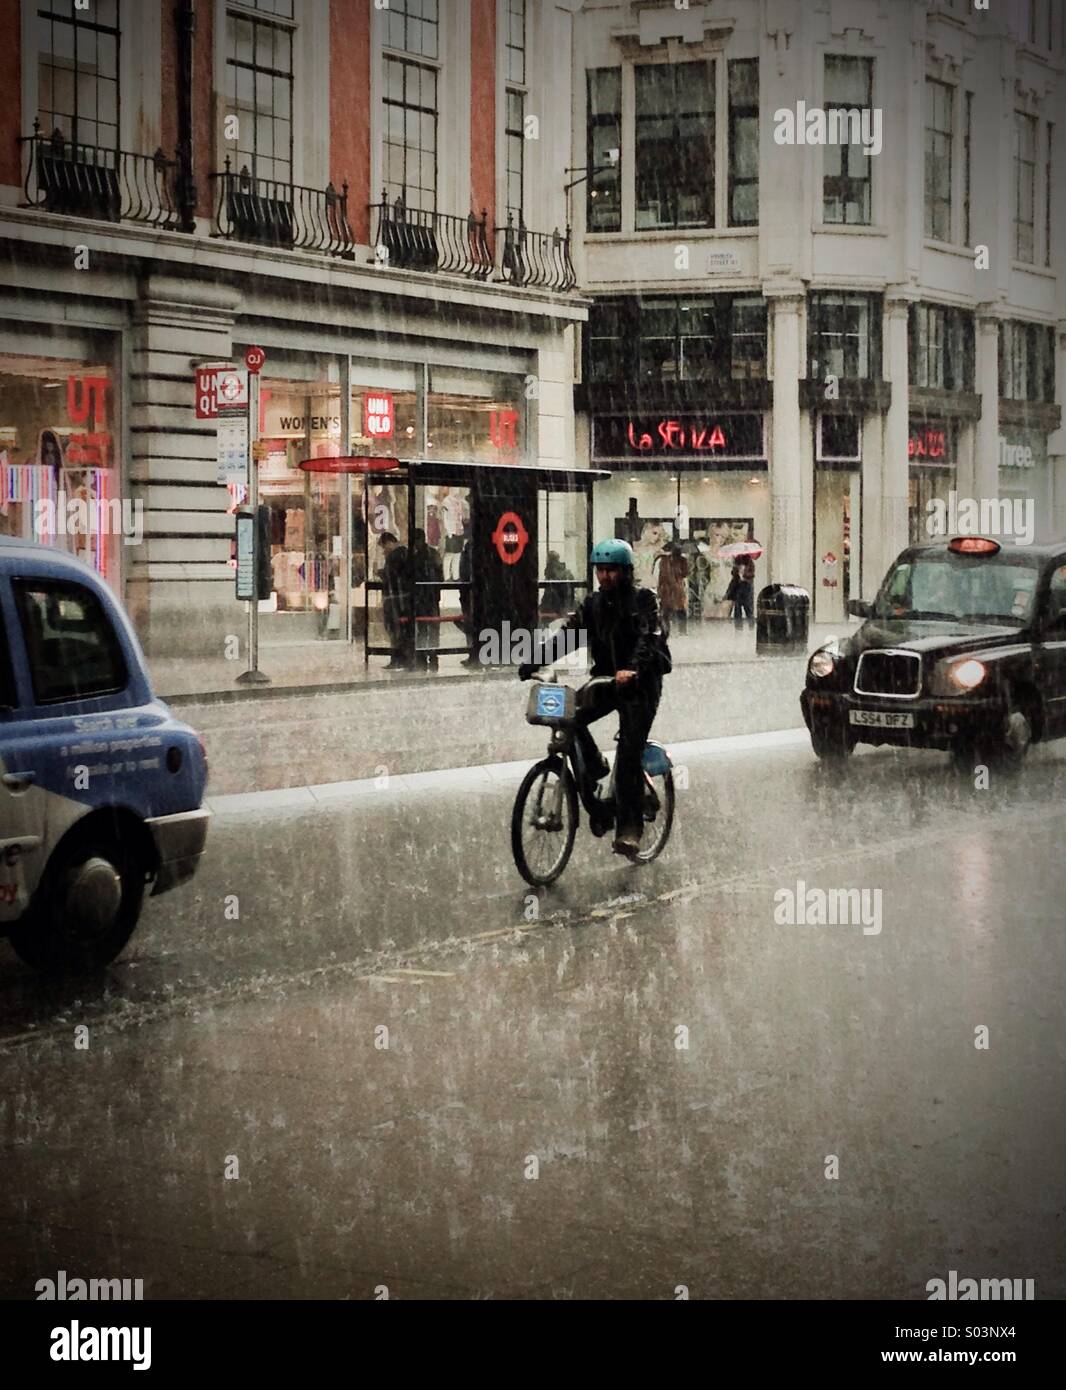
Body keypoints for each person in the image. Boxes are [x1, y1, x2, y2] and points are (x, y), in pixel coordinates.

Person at [519, 538, 669, 858]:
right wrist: (534, 661)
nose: (605, 576)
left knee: (629, 751)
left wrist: (634, 668)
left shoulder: (644, 600)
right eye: (600, 570)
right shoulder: (593, 605)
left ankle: (630, 828)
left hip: (641, 684)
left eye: (611, 570)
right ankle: (597, 766)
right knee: (570, 715)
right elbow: (567, 637)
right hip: (607, 680)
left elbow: (650, 636)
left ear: (626, 572)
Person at [379, 531, 413, 669]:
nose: (383, 551)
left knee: (395, 629)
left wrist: (381, 573)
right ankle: (403, 657)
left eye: (383, 547)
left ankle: (398, 658)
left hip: (394, 598)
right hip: (401, 597)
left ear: (389, 543)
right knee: (400, 630)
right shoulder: (404, 554)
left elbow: (391, 576)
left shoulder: (395, 556)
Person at [411, 526, 443, 671]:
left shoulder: (415, 557)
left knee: (423, 628)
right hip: (431, 597)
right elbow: (439, 576)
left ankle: (423, 656)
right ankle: (432, 655)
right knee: (432, 628)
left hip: (423, 598)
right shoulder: (433, 554)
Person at [654, 541, 690, 636]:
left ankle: (667, 630)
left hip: (668, 589)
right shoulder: (682, 560)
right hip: (674, 589)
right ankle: (681, 631)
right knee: (676, 610)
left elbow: (659, 575)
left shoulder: (663, 560)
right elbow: (685, 573)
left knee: (667, 610)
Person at [730, 553, 756, 631]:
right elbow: (733, 573)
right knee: (737, 609)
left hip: (747, 588)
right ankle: (738, 628)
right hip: (738, 587)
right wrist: (737, 571)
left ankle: (751, 627)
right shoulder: (737, 561)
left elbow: (752, 574)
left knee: (748, 609)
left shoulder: (750, 562)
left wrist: (744, 575)